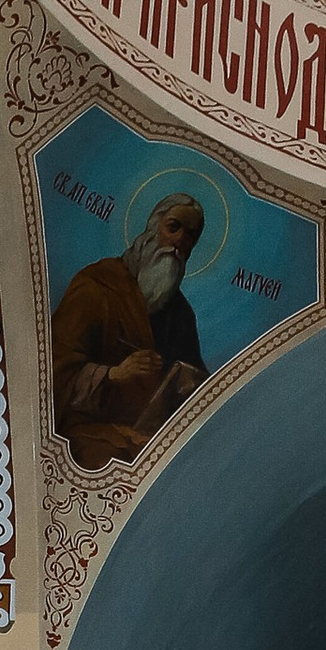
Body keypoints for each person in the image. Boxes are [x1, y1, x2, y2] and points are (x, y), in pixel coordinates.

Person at [51, 195, 208, 468]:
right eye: (173, 227)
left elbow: (194, 383)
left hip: (149, 439)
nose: (180, 241)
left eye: (190, 236)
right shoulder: (96, 285)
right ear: (152, 227)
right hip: (89, 430)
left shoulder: (181, 314)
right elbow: (53, 371)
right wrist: (113, 374)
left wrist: (187, 386)